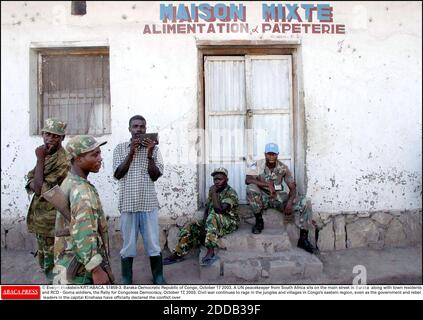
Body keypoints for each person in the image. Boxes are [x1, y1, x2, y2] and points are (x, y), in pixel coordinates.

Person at [52, 135, 114, 285]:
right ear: (78, 159)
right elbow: (83, 231)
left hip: (68, 262)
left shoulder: (69, 181)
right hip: (82, 271)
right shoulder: (82, 191)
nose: (100, 158)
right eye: (94, 154)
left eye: (99, 153)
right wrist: (96, 270)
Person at [113, 115, 166, 285]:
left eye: (142, 127)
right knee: (128, 245)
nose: (139, 130)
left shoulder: (155, 150)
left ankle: (158, 276)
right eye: (135, 126)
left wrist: (149, 154)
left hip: (148, 204)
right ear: (129, 129)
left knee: (153, 244)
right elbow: (118, 174)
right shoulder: (120, 148)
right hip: (128, 204)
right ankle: (127, 278)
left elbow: (155, 176)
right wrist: (131, 153)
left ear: (146, 128)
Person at [245, 143, 317, 254]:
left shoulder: (283, 168)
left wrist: (289, 203)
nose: (271, 157)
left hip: (278, 198)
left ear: (277, 154)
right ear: (265, 154)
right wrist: (266, 185)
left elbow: (292, 187)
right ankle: (259, 221)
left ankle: (303, 239)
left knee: (305, 201)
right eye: (269, 154)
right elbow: (248, 180)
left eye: (273, 154)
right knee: (251, 188)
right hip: (262, 198)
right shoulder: (257, 165)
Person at [163, 167, 240, 267]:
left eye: (220, 179)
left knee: (213, 216)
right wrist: (204, 223)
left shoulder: (231, 193)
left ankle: (210, 251)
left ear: (227, 180)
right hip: (214, 220)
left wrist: (214, 193)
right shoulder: (213, 190)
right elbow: (208, 207)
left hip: (230, 222)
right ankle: (178, 254)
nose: (217, 182)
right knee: (191, 226)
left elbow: (219, 210)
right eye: (215, 179)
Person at [25, 118, 69, 283]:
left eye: (55, 136)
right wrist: (35, 180)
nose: (50, 139)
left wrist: (39, 160)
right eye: (47, 134)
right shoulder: (47, 155)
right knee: (45, 263)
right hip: (41, 221)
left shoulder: (62, 160)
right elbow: (31, 178)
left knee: (56, 266)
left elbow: (38, 188)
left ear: (62, 138)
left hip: (53, 223)